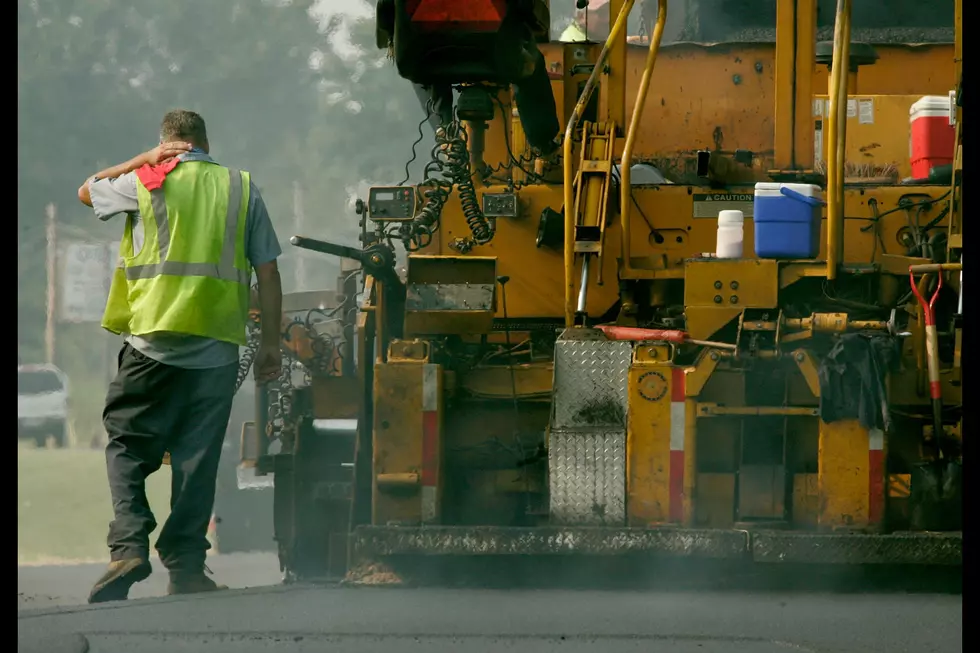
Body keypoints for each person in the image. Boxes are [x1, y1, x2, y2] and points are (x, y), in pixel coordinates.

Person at [76, 109, 284, 603]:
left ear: (168, 143)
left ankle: (128, 546)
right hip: (214, 350)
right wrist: (271, 343)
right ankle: (187, 567)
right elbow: (269, 273)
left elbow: (86, 191)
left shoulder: (146, 179)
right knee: (197, 458)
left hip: (152, 343)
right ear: (206, 144)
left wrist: (142, 159)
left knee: (127, 445)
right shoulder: (241, 187)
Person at [376, 0, 561, 157]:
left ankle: (445, 131)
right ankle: (542, 143)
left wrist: (392, 36)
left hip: (428, 60)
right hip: (498, 59)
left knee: (423, 71)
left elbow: (385, 10)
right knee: (530, 66)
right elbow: (528, 7)